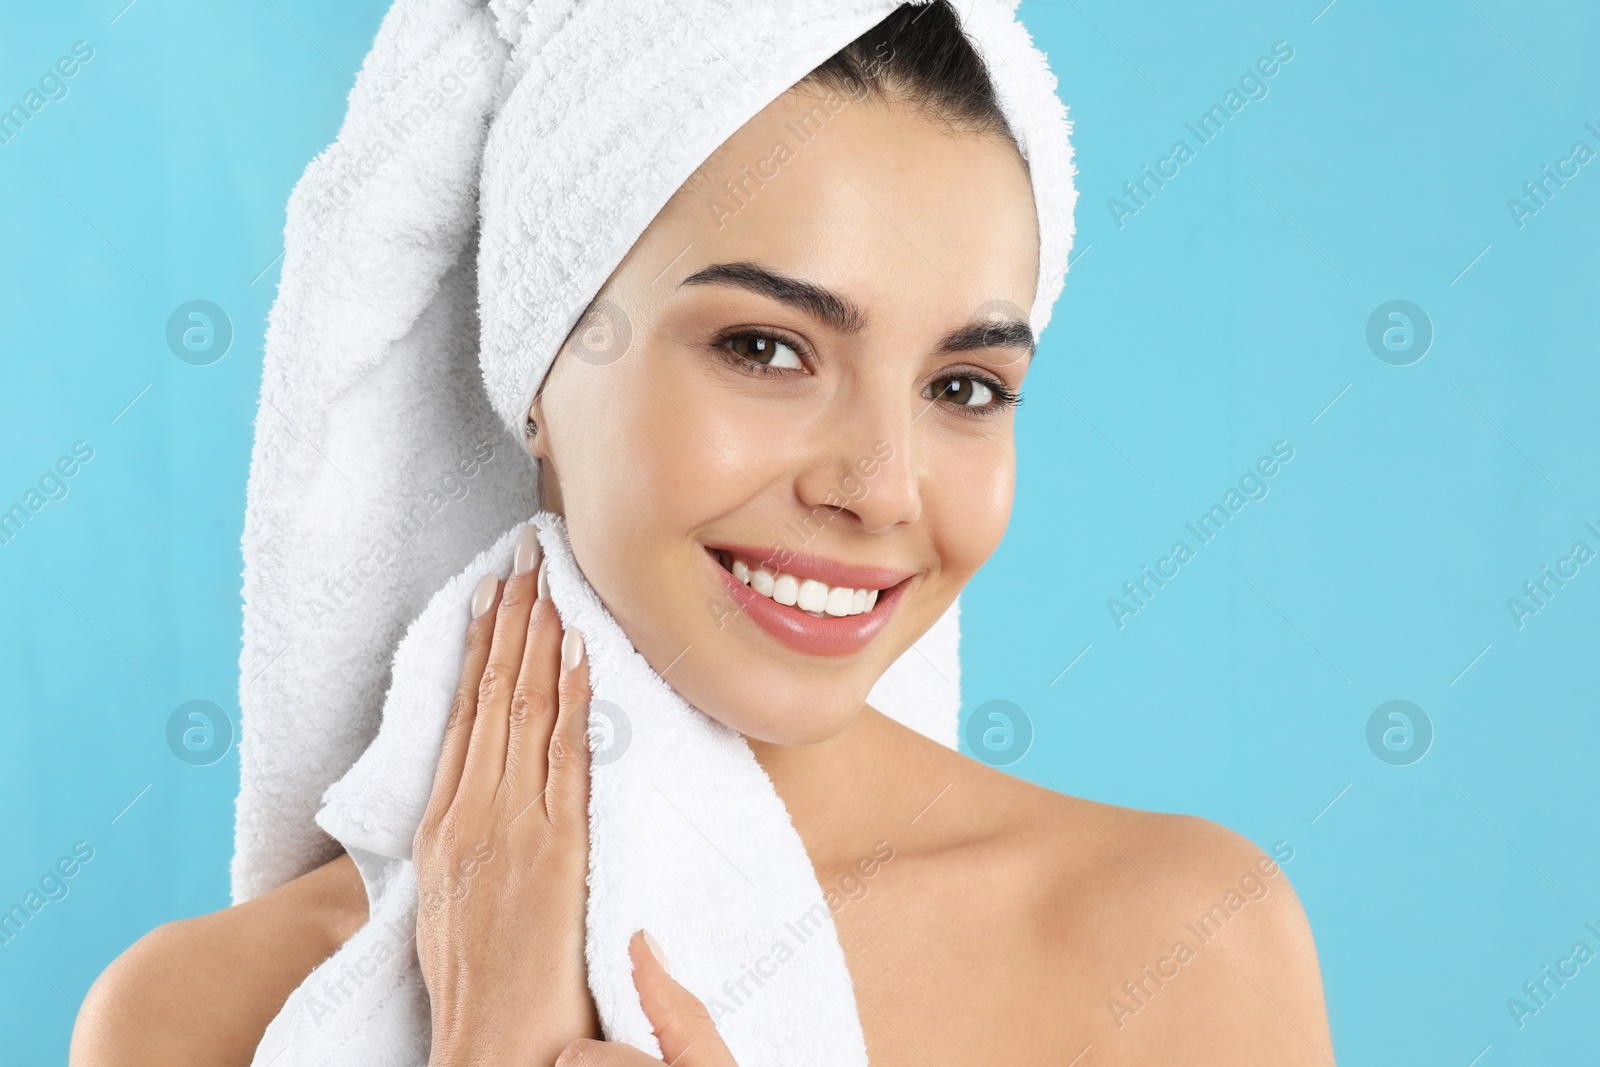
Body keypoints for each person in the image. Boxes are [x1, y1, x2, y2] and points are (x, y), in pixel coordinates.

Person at [70, 5, 1334, 1064]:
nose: (882, 487)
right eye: (766, 348)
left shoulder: (1179, 949)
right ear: (541, 365)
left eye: (963, 385)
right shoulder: (200, 1016)